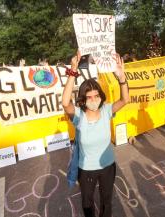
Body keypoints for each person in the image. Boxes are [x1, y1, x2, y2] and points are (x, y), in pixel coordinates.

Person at [62, 51, 129, 217]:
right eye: (89, 97)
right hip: (86, 170)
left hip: (108, 167)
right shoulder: (78, 116)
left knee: (107, 201)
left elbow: (125, 100)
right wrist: (72, 71)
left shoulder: (106, 110)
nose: (94, 100)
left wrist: (121, 77)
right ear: (83, 100)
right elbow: (65, 103)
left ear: (101, 96)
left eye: (96, 95)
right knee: (87, 202)